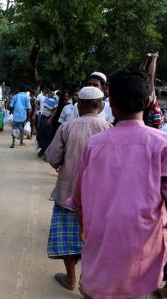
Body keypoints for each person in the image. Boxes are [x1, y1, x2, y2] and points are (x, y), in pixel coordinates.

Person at [67, 69, 167, 299]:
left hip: (100, 250)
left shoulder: (94, 145)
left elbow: (79, 199)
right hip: (144, 256)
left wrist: (84, 229)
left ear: (110, 102)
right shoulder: (161, 145)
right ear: (148, 101)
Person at [45, 86, 111, 291]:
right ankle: (85, 280)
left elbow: (52, 157)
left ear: (79, 105)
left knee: (66, 237)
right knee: (93, 241)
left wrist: (61, 166)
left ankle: (70, 279)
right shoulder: (109, 128)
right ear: (100, 106)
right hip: (99, 199)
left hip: (67, 193)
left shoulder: (67, 127)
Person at [36, 83, 58, 157]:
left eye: (46, 88)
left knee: (47, 136)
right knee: (40, 134)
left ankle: (46, 152)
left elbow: (55, 110)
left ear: (48, 88)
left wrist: (50, 119)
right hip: (43, 117)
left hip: (48, 118)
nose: (45, 90)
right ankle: (42, 149)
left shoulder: (56, 97)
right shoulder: (47, 97)